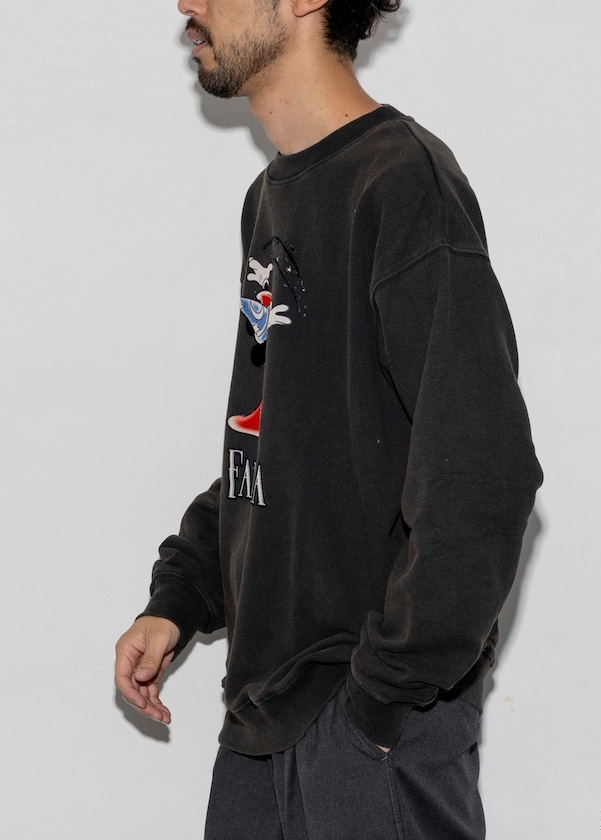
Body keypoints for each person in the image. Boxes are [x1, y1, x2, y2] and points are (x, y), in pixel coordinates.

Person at [114, 1, 543, 838]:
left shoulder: (403, 184)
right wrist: (182, 596)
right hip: (263, 721)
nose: (187, 3)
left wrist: (381, 697)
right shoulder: (270, 199)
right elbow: (273, 438)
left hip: (367, 728)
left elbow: (481, 470)